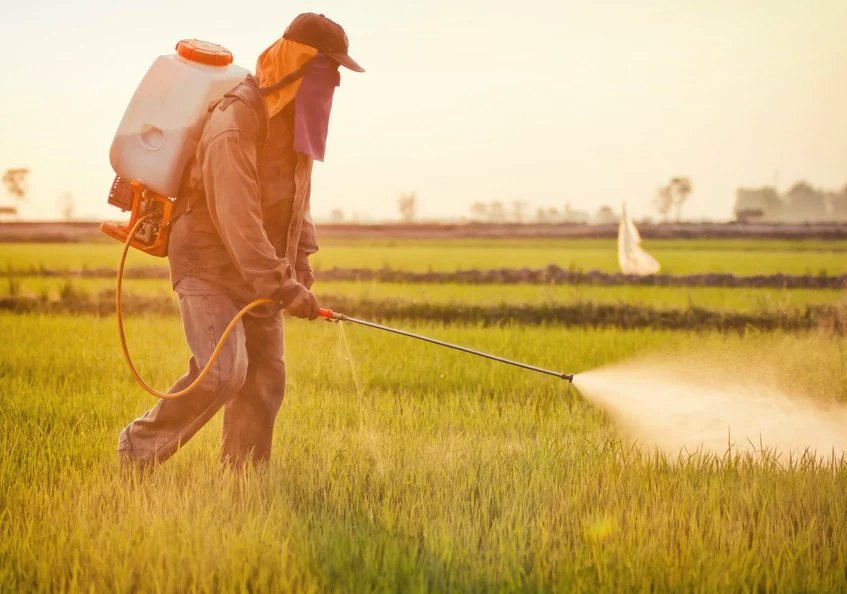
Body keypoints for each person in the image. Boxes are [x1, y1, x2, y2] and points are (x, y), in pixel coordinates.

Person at [117, 13, 365, 472]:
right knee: (222, 373)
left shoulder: (297, 119)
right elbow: (238, 216)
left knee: (266, 376)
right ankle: (137, 449)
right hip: (207, 260)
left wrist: (301, 262)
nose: (333, 82)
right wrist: (282, 284)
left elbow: (297, 198)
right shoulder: (237, 118)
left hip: (261, 268)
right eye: (327, 69)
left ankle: (242, 482)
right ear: (298, 61)